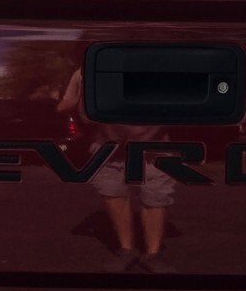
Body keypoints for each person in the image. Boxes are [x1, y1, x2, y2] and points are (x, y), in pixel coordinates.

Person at [56, 68, 175, 273]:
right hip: (109, 146)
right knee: (114, 194)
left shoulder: (159, 65)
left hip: (153, 147)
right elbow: (65, 105)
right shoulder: (83, 72)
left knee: (155, 197)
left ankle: (153, 254)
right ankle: (126, 250)